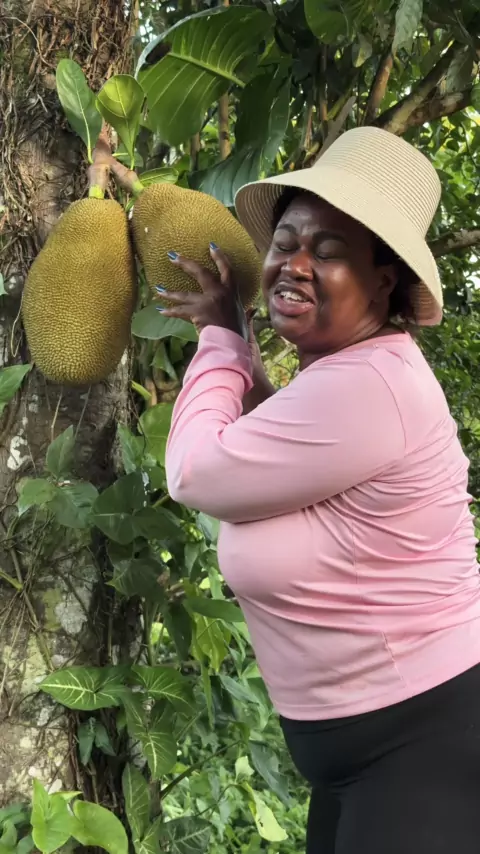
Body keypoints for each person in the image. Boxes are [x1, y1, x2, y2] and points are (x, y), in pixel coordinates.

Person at [159, 126, 480, 853]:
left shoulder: (370, 386)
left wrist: (221, 338)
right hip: (369, 749)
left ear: (384, 279)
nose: (294, 264)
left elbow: (193, 472)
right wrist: (243, 351)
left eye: (329, 251)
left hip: (421, 743)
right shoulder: (347, 378)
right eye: (286, 242)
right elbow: (283, 450)